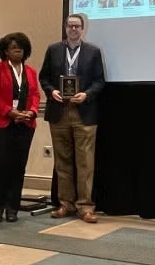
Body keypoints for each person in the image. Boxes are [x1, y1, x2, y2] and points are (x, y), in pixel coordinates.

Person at [39, 14, 105, 223]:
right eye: (70, 26)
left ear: (83, 29)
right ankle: (65, 204)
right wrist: (51, 92)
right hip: (59, 112)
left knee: (85, 162)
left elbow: (99, 81)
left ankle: (85, 207)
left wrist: (86, 95)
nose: (73, 29)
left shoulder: (93, 52)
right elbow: (44, 77)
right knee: (62, 161)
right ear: (65, 28)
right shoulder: (53, 50)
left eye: (77, 26)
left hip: (83, 113)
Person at [0, 32, 40, 223]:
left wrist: (31, 111)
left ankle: (12, 208)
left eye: (20, 48)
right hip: (1, 123)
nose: (17, 51)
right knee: (0, 166)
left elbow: (35, 95)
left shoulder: (31, 71)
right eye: (13, 48)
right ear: (5, 52)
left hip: (25, 124)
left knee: (18, 167)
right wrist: (10, 112)